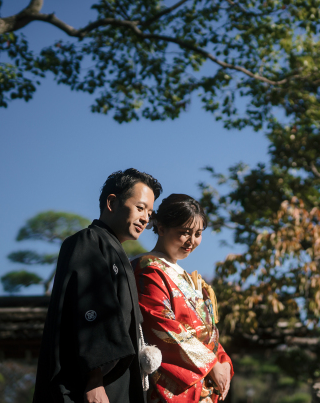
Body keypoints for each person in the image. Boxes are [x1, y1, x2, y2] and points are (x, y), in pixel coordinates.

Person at [33, 168, 163, 403]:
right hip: (91, 384)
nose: (146, 218)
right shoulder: (87, 241)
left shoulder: (116, 251)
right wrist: (94, 379)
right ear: (112, 202)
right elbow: (89, 310)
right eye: (140, 208)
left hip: (117, 381)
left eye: (150, 212)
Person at [132, 194, 233, 403]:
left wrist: (222, 363)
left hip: (204, 383)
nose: (192, 241)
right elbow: (161, 323)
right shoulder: (149, 269)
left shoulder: (190, 278)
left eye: (198, 233)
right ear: (161, 228)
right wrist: (211, 364)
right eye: (184, 233)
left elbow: (209, 332)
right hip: (174, 384)